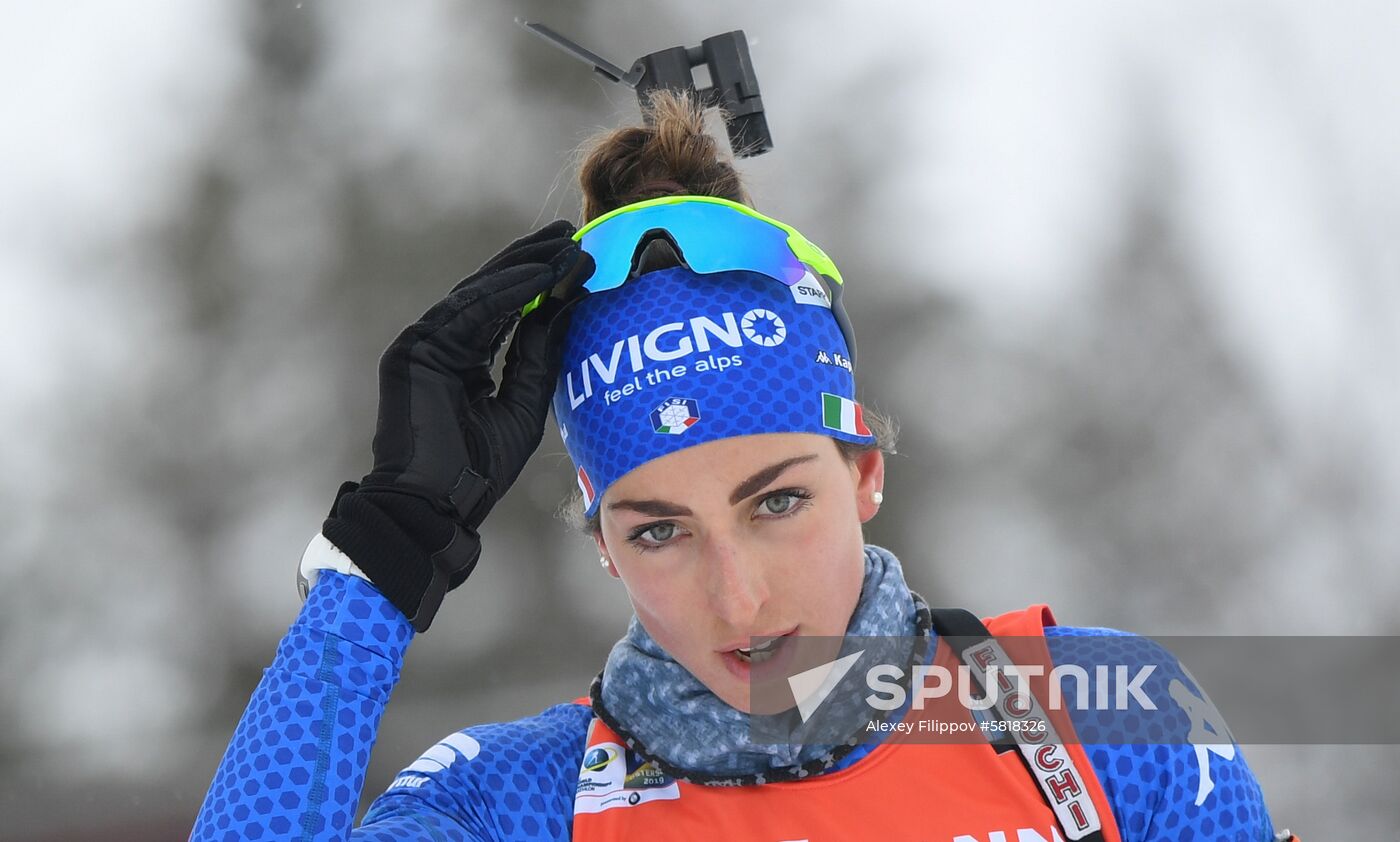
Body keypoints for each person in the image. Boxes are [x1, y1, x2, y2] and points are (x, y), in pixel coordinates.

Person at [191, 92, 1297, 841]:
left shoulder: (1104, 720)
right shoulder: (513, 802)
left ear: (863, 471)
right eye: (658, 528)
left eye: (776, 500)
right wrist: (386, 553)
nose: (739, 595)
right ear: (604, 546)